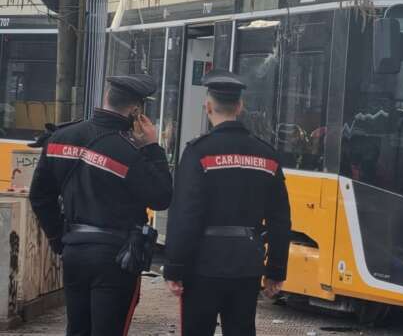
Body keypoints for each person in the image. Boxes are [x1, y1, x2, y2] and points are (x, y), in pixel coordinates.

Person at [29, 74, 173, 336]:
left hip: (73, 251)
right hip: (116, 258)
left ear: (105, 98)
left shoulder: (60, 138)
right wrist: (152, 147)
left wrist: (58, 238)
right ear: (136, 111)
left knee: (78, 329)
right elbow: (162, 197)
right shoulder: (130, 152)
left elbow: (39, 196)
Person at [164, 69, 291, 336]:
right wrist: (276, 271)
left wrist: (174, 268)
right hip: (247, 265)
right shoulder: (266, 155)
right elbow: (280, 218)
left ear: (208, 106)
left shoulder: (198, 152)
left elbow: (185, 215)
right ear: (240, 106)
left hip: (202, 265)